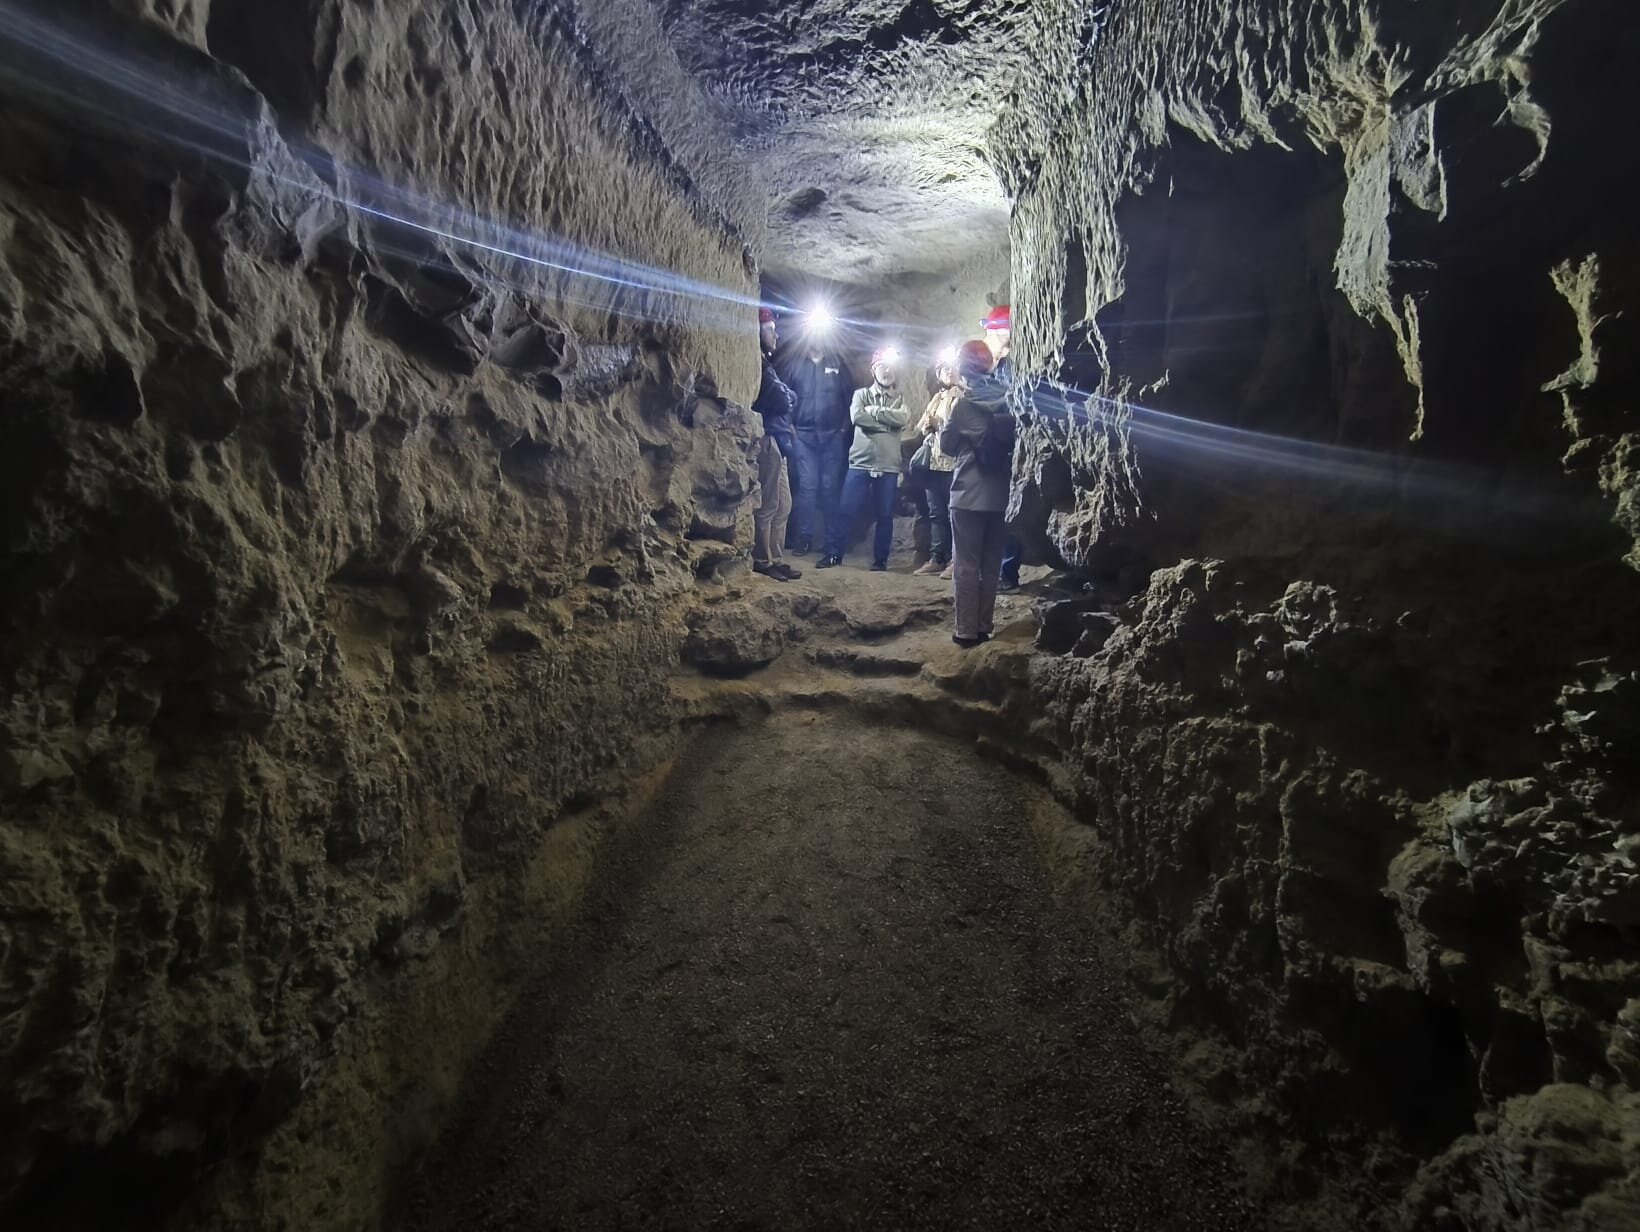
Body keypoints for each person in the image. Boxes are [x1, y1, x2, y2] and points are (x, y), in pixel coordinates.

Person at [940, 340, 1012, 646]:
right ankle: (985, 626)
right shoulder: (1009, 399)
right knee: (991, 562)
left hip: (968, 492)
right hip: (1000, 493)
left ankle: (966, 631)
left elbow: (947, 446)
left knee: (966, 564)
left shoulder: (963, 404)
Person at [817, 348, 908, 570]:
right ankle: (834, 554)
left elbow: (903, 418)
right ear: (873, 370)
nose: (887, 371)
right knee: (846, 510)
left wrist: (874, 412)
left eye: (890, 367)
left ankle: (880, 561)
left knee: (884, 515)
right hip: (860, 462)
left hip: (887, 465)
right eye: (882, 367)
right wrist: (888, 424)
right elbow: (857, 416)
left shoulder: (900, 398)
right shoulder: (860, 395)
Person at [777, 339, 852, 554]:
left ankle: (831, 541)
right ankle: (804, 538)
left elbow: (849, 397)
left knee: (830, 488)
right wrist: (791, 427)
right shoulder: (795, 365)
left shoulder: (837, 364)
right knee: (808, 487)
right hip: (804, 436)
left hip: (832, 436)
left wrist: (842, 429)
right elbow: (783, 395)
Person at [752, 309, 800, 581]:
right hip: (769, 436)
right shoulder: (758, 363)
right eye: (770, 329)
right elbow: (784, 399)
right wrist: (787, 397)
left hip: (779, 438)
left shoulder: (767, 365)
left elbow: (787, 395)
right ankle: (762, 559)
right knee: (769, 503)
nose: (776, 334)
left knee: (784, 503)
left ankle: (776, 558)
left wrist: (787, 396)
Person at [982, 304, 1023, 593]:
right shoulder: (994, 364)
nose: (989, 336)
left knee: (1007, 514)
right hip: (994, 449)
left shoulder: (1013, 365)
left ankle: (1006, 573)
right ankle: (996, 570)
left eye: (993, 331)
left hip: (1011, 448)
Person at [909, 361, 960, 578]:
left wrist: (938, 423)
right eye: (942, 369)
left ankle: (956, 561)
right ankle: (937, 557)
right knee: (936, 514)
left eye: (951, 368)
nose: (947, 372)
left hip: (953, 463)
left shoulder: (963, 395)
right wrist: (927, 424)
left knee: (955, 514)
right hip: (934, 463)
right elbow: (919, 426)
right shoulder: (937, 397)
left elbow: (959, 425)